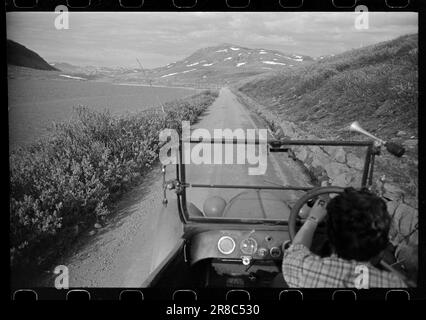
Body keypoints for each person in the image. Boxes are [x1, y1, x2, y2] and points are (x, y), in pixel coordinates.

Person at [282, 187, 407, 288]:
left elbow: (296, 249)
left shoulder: (303, 271)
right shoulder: (395, 284)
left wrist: (312, 219)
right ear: (380, 246)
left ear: (330, 236)